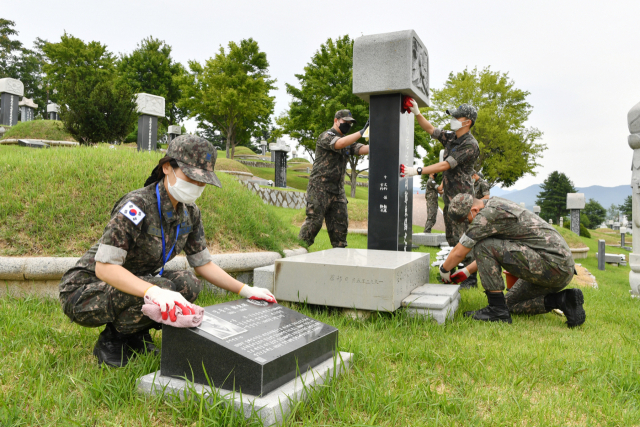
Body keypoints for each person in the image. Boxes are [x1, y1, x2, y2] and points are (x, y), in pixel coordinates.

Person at [58, 135, 277, 368]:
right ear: (166, 168)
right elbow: (105, 268)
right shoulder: (136, 206)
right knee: (162, 289)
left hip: (134, 283)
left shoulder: (189, 213)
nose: (197, 186)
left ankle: (136, 334)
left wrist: (246, 289)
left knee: (187, 284)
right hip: (85, 290)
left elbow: (203, 264)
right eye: (191, 177)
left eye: (203, 182)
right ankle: (114, 341)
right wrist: (154, 290)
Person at [438, 193, 585, 327]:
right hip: (559, 268)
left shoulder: (486, 215)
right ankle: (564, 300)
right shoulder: (495, 204)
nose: (468, 224)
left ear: (475, 210)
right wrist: (466, 271)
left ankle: (496, 310)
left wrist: (444, 269)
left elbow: (460, 252)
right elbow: (496, 251)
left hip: (552, 265)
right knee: (510, 303)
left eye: (466, 220)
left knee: (482, 245)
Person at [400, 100, 480, 287]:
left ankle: (470, 277)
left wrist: (417, 170)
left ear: (467, 121)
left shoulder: (470, 144)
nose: (452, 119)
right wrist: (417, 112)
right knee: (452, 235)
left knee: (463, 237)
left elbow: (446, 164)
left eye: (456, 116)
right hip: (450, 195)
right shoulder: (452, 137)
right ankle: (453, 270)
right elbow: (431, 130)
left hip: (462, 197)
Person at [299, 110, 369, 248]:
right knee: (314, 223)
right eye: (345, 122)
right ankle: (296, 251)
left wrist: (379, 137)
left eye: (350, 123)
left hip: (338, 192)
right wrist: (361, 132)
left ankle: (340, 260)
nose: (348, 125)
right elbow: (340, 144)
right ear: (336, 120)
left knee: (340, 228)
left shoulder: (347, 140)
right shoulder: (326, 136)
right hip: (320, 188)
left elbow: (363, 149)